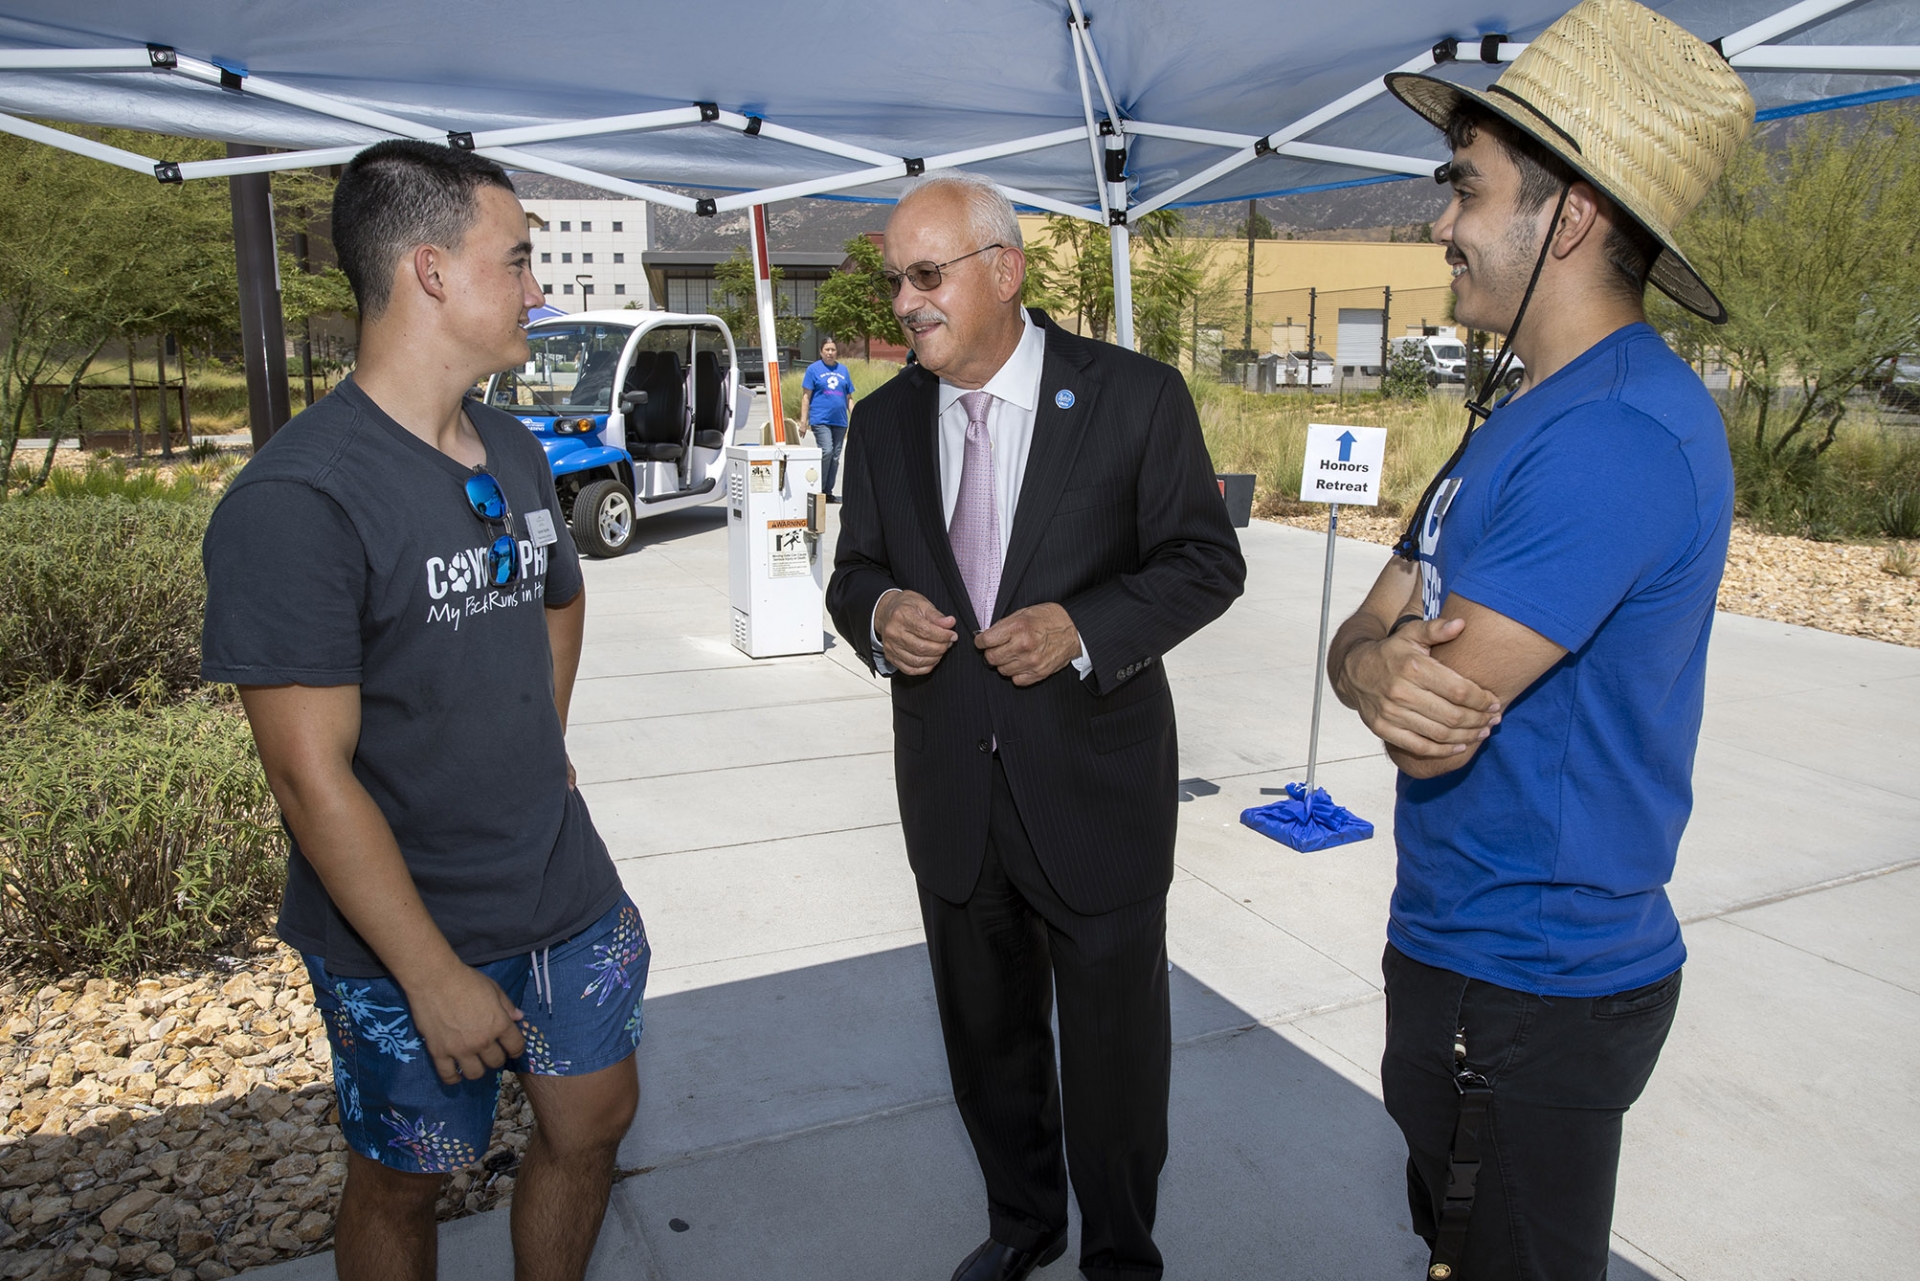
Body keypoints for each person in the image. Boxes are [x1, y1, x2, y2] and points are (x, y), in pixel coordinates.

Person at [1321, 3, 1754, 1277]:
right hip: (1468, 952)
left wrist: (1381, 668)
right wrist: (1368, 662)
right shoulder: (1526, 412)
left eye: (1467, 189)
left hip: (1532, 989)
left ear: (1567, 217)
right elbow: (1367, 637)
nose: (1439, 223)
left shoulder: (1614, 437)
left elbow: (1424, 697)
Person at [200, 140, 647, 1281]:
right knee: (404, 1185)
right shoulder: (298, 502)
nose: (540, 290)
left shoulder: (511, 445)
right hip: (406, 930)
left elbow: (560, 597)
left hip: (562, 889)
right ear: (433, 273)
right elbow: (310, 775)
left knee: (591, 1125)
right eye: (520, 261)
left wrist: (541, 746)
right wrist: (434, 975)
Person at [827, 172, 1245, 1281]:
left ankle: (1119, 1253)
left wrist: (1085, 627)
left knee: (1113, 1062)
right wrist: (877, 611)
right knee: (987, 1046)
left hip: (1094, 794)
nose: (907, 301)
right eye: (896, 279)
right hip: (954, 798)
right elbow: (852, 567)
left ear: (1003, 271)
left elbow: (1208, 564)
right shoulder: (880, 423)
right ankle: (1024, 1226)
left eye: (928, 276)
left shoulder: (1135, 398)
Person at [801, 338, 855, 502]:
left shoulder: (843, 370)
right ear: (821, 352)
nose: (830, 353)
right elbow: (806, 397)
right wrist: (804, 421)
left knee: (836, 457)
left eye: (833, 350)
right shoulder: (813, 370)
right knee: (827, 451)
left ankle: (828, 491)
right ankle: (819, 489)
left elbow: (849, 397)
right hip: (820, 418)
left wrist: (857, 416)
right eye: (827, 350)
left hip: (840, 420)